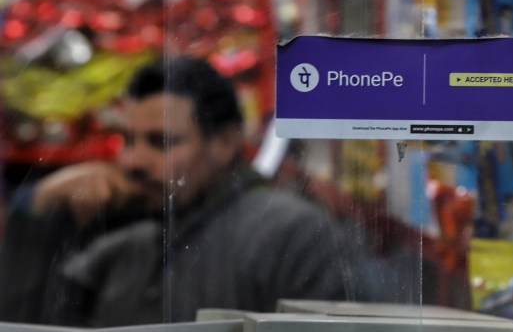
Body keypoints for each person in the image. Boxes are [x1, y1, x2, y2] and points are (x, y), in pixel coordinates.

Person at [0, 55, 384, 327]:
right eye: (127, 140)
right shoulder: (136, 242)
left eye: (161, 142)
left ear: (225, 143)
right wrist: (38, 210)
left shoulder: (290, 235)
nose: (132, 161)